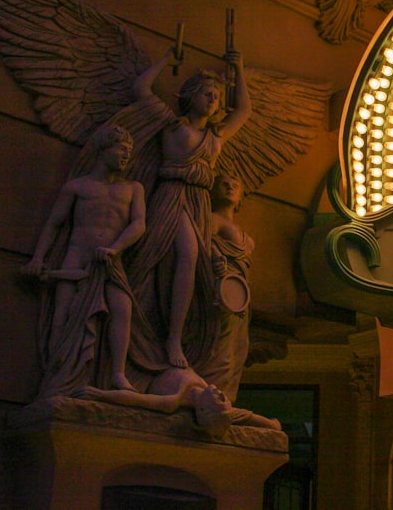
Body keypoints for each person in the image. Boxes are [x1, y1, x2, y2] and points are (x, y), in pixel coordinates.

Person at [126, 46, 251, 370]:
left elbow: (243, 112)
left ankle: (175, 337)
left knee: (193, 264)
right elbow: (140, 89)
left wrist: (238, 73)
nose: (213, 100)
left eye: (218, 97)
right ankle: (170, 339)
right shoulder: (172, 125)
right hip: (171, 196)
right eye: (208, 93)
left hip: (197, 200)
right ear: (191, 95)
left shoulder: (216, 135)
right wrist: (168, 57)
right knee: (186, 253)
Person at [21, 125, 146, 396]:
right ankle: (57, 375)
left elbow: (138, 224)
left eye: (129, 150)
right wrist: (38, 258)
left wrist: (115, 248)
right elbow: (54, 224)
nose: (126, 155)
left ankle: (118, 374)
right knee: (63, 318)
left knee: (122, 310)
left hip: (110, 261)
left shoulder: (133, 189)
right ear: (103, 151)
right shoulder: (77, 187)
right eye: (121, 148)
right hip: (75, 261)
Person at [192, 174, 253, 402]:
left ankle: (226, 399)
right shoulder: (211, 219)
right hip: (221, 292)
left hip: (241, 295)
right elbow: (201, 242)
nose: (229, 187)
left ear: (241, 196)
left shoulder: (236, 227)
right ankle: (210, 395)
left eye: (235, 185)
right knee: (221, 348)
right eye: (224, 184)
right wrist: (216, 256)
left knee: (238, 349)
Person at [73, 365, 280, 432]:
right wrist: (273, 425)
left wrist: (100, 395)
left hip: (150, 365)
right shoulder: (217, 405)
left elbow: (135, 400)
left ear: (202, 411)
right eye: (225, 400)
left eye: (219, 401)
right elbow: (248, 417)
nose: (222, 395)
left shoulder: (173, 401)